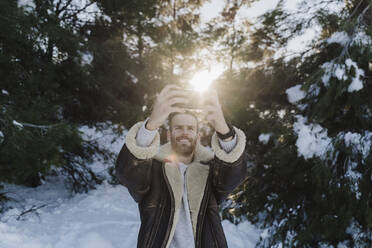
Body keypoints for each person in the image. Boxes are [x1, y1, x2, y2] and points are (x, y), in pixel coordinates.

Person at [115, 84, 248, 248]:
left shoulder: (211, 169)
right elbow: (127, 172)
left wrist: (224, 130)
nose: (185, 132)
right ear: (169, 134)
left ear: (197, 136)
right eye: (178, 128)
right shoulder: (153, 168)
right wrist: (151, 125)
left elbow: (233, 176)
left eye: (190, 128)